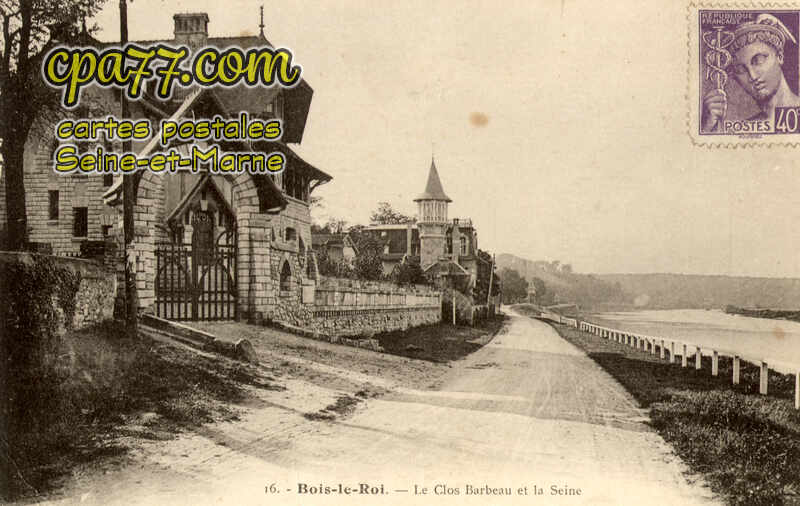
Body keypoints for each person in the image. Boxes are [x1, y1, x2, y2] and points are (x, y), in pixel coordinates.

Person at [702, 13, 800, 132]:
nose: (752, 76)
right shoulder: (742, 130)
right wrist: (707, 127)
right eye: (741, 70)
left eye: (758, 60)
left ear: (779, 56)